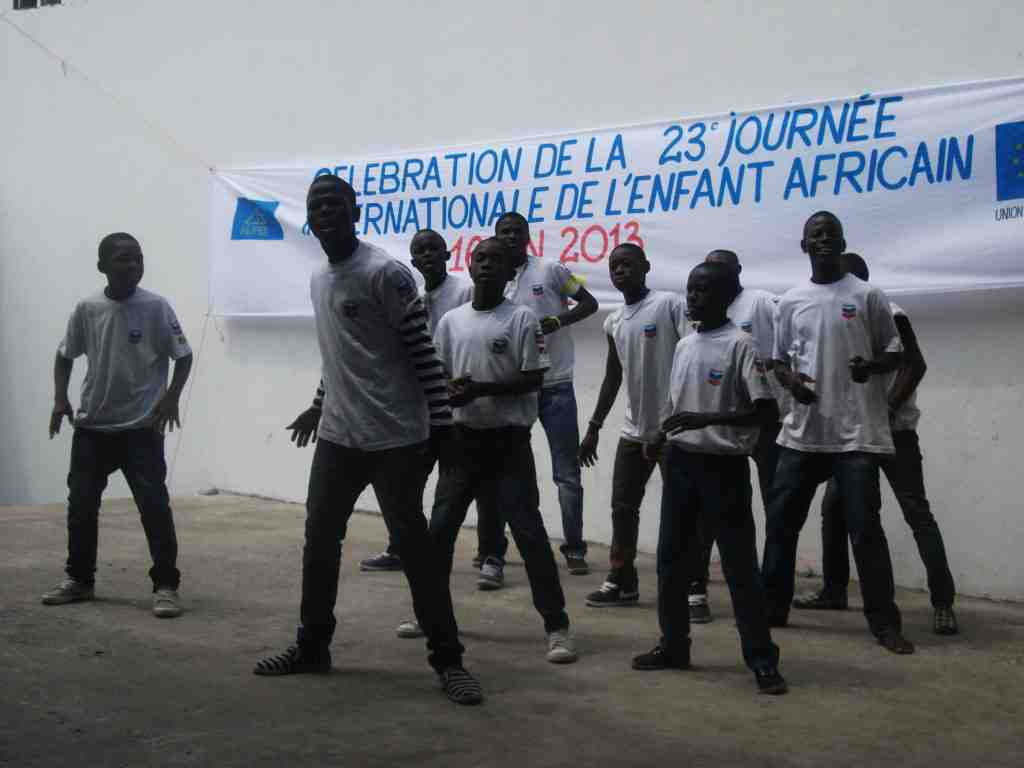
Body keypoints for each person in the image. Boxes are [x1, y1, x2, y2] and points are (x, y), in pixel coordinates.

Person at [253, 175, 482, 706]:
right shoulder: (319, 281)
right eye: (317, 205)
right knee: (319, 543)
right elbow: (341, 355)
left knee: (416, 551)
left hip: (395, 439)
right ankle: (312, 647)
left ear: (356, 210)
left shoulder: (386, 273)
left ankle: (449, 662)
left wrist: (443, 428)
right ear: (309, 219)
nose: (326, 211)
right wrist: (317, 404)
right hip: (338, 437)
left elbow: (422, 353)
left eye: (335, 203)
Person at [762, 212, 914, 655]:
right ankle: (773, 608)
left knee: (865, 530)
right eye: (816, 234)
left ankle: (884, 623)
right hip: (803, 434)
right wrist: (790, 382)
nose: (824, 239)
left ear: (843, 241)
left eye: (831, 233)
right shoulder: (790, 301)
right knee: (781, 525)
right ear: (804, 245)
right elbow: (776, 361)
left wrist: (872, 367)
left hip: (857, 435)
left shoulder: (868, 296)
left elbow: (896, 354)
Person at [633, 261, 787, 695]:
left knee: (739, 568)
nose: (693, 298)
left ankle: (761, 660)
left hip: (723, 469)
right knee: (670, 563)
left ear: (725, 296)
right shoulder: (685, 345)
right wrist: (660, 435)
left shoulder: (741, 345)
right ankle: (674, 646)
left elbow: (765, 411)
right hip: (681, 464)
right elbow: (677, 404)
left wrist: (707, 418)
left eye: (703, 290)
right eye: (690, 290)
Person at [426, 237, 578, 664]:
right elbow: (438, 374)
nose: (487, 265)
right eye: (480, 259)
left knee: (529, 534)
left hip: (509, 443)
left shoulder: (523, 318)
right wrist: (451, 392)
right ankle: (429, 614)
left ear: (510, 272)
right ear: (469, 267)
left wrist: (480, 389)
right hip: (462, 442)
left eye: (496, 260)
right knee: (438, 534)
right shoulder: (451, 321)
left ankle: (557, 625)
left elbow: (534, 380)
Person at [793, 253, 958, 635]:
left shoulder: (888, 310)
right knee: (834, 509)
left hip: (893, 431)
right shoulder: (831, 314)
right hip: (855, 437)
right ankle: (834, 591)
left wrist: (886, 409)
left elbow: (914, 365)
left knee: (916, 513)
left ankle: (943, 602)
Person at [43, 232, 193, 619]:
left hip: (141, 427)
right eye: (123, 258)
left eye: (137, 258)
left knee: (154, 506)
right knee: (81, 506)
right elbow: (64, 356)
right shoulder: (88, 308)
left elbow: (184, 356)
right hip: (93, 427)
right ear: (102, 266)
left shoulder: (157, 307)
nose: (132, 265)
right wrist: (61, 399)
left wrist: (172, 396)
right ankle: (79, 580)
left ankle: (166, 586)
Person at [578, 244, 688, 608]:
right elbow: (613, 376)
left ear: (646, 267)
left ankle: (693, 586)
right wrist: (594, 426)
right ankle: (622, 581)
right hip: (633, 430)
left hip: (675, 431)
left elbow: (693, 355)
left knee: (685, 511)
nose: (619, 270)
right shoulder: (614, 321)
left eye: (627, 263)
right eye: (613, 265)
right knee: (622, 508)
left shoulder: (669, 305)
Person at [359, 228, 474, 574]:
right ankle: (400, 548)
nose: (427, 255)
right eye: (420, 251)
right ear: (413, 261)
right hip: (424, 407)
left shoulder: (464, 291)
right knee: (405, 485)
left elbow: (473, 338)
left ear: (446, 254)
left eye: (433, 249)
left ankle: (489, 556)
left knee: (461, 490)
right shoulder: (415, 298)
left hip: (461, 405)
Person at [491, 211, 599, 578]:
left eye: (516, 231)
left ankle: (574, 549)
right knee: (507, 472)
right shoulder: (494, 280)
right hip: (515, 388)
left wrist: (558, 320)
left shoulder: (552, 270)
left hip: (555, 386)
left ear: (527, 236)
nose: (510, 237)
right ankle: (500, 551)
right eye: (504, 231)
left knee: (566, 474)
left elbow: (589, 303)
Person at [686, 249, 783, 623]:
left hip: (762, 419)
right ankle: (697, 588)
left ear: (736, 275)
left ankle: (769, 593)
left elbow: (788, 339)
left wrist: (779, 367)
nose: (704, 288)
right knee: (706, 515)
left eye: (720, 272)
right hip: (714, 425)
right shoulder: (696, 322)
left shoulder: (760, 301)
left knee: (774, 507)